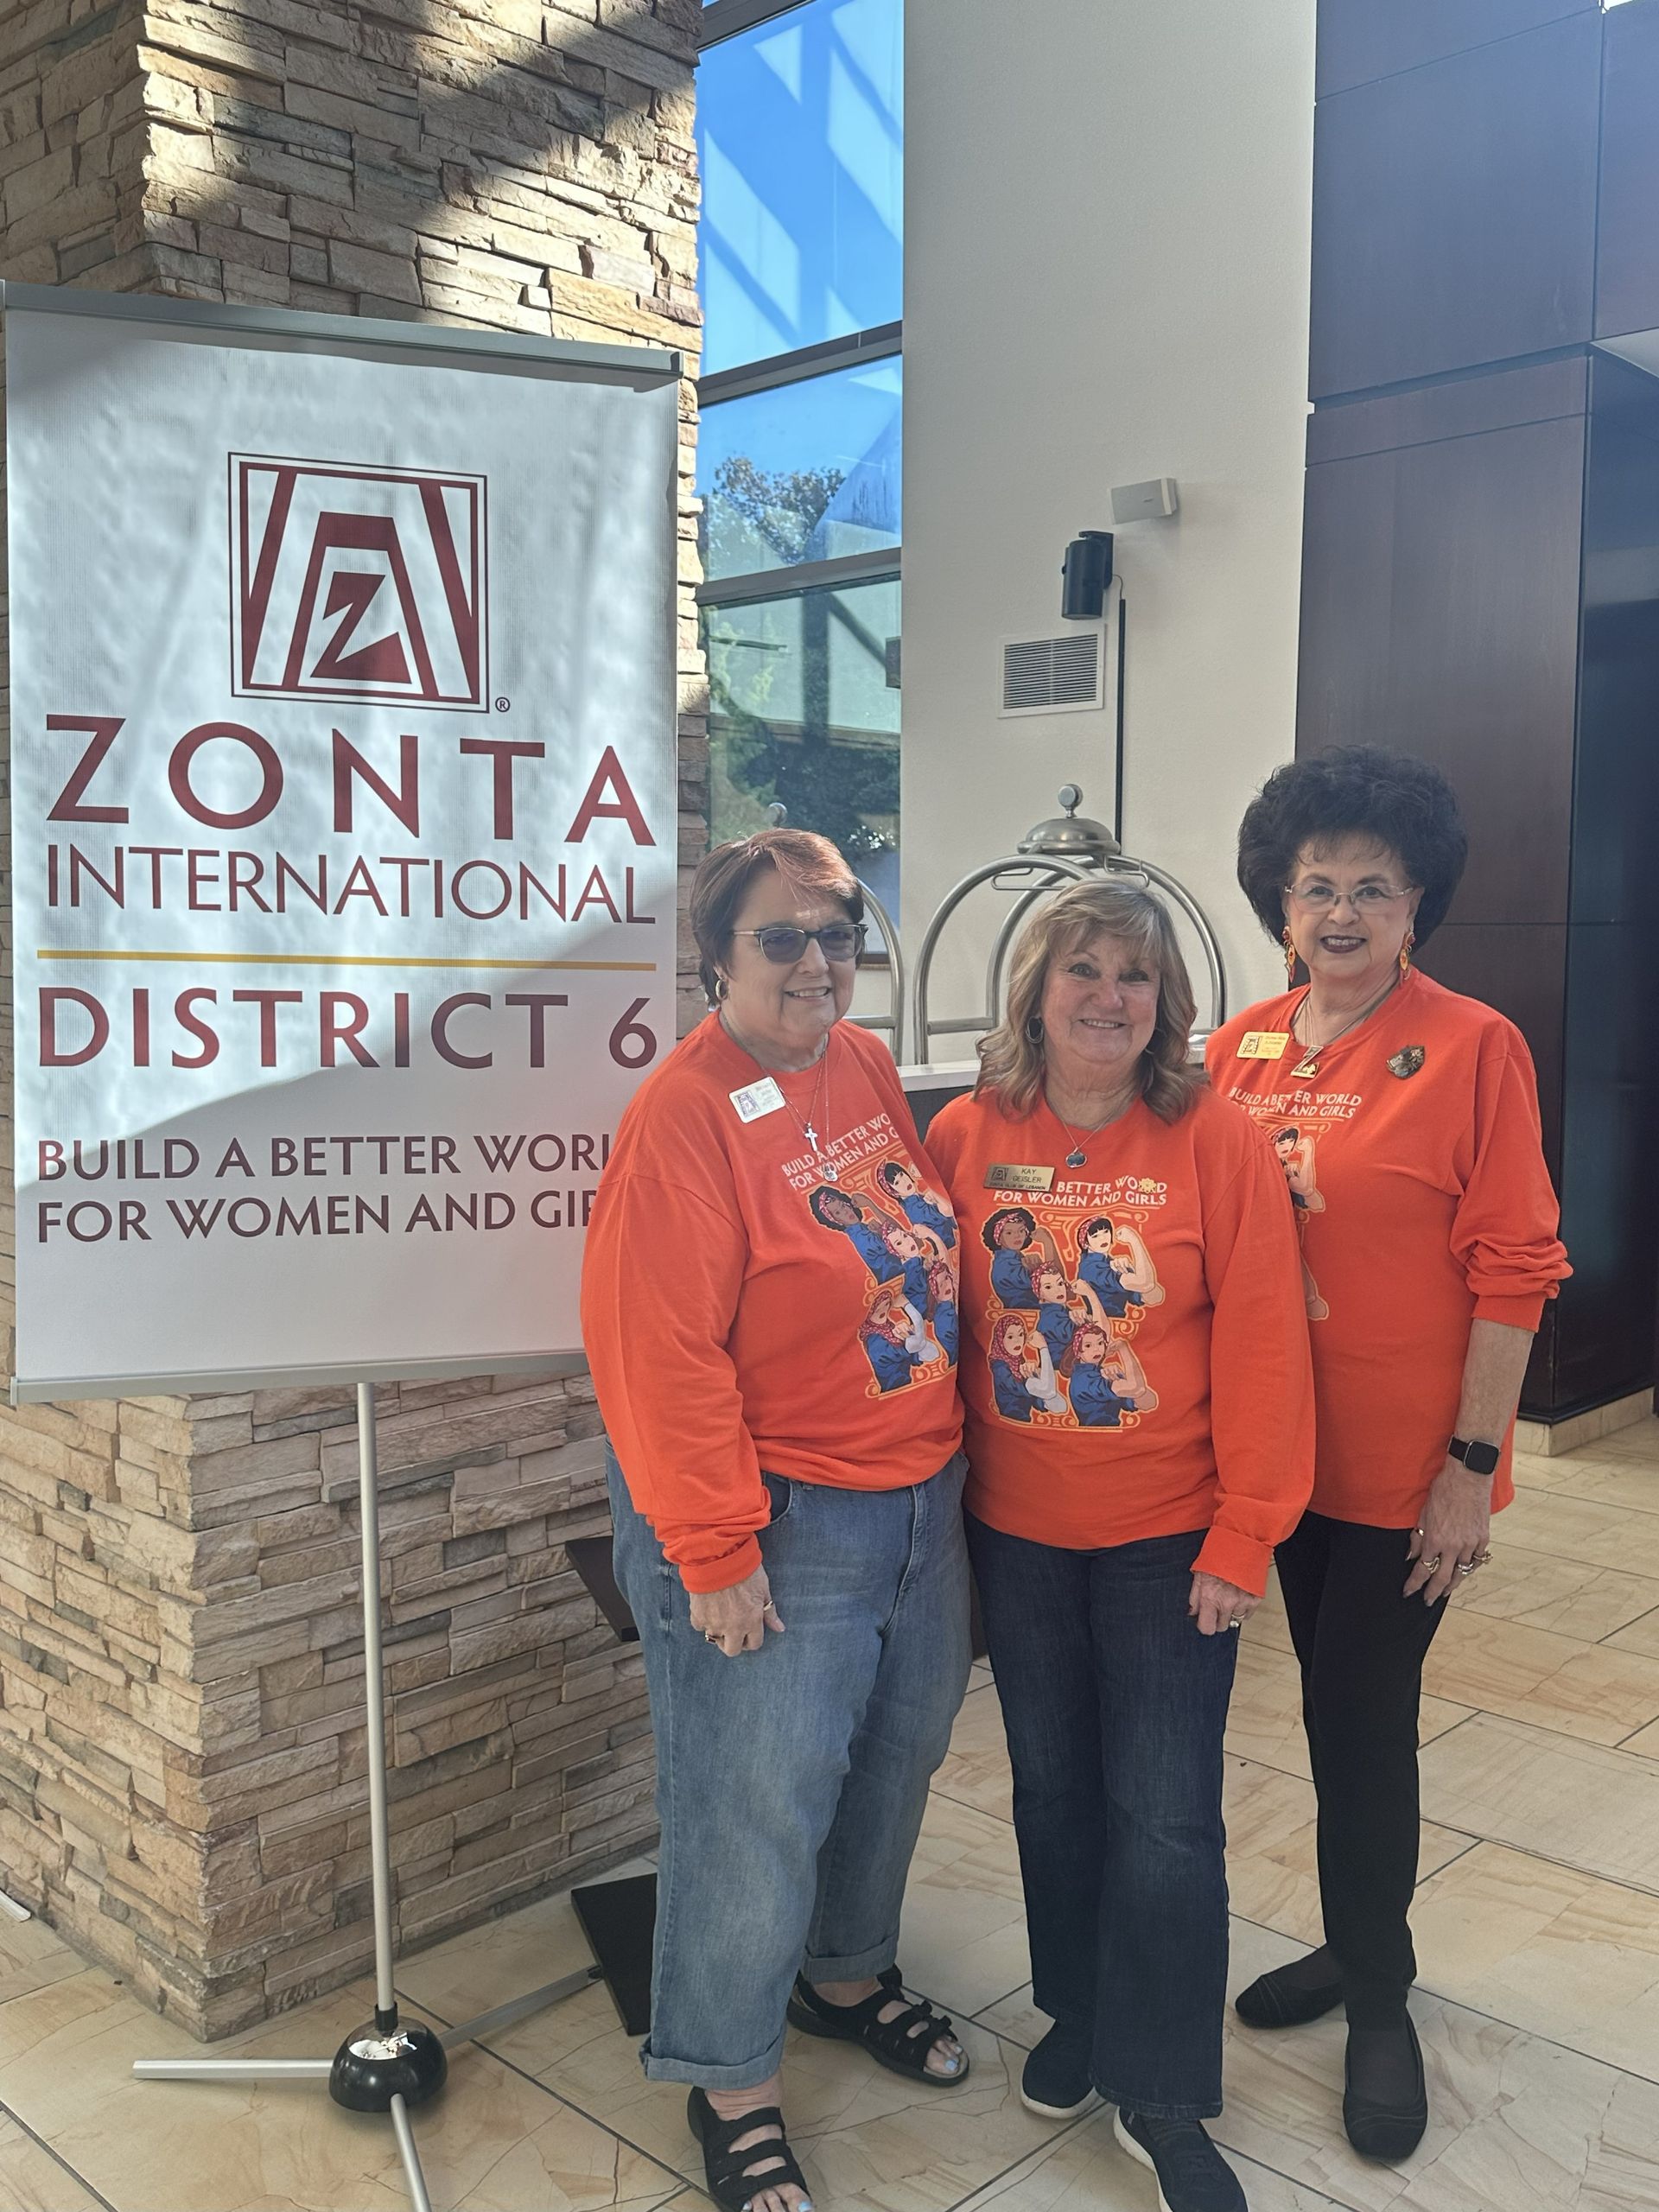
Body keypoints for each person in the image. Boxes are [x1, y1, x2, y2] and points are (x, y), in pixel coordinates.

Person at [582, 829, 971, 2212]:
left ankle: (847, 1972)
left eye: (837, 934)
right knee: (754, 1803)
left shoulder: (858, 1065)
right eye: (783, 939)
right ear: (718, 958)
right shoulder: (683, 1111)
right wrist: (713, 1546)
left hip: (919, 1495)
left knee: (897, 1754)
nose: (817, 963)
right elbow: (655, 1347)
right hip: (782, 1514)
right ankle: (731, 2078)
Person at [927, 879, 1315, 2212]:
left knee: (1164, 1817)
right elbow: (931, 1331)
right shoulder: (966, 1134)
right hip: (1017, 1536)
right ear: (1033, 988)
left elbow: (1269, 1348)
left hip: (1170, 1541)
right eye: (1082, 970)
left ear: (1167, 1005)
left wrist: (1245, 1533)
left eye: (1132, 977)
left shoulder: (1215, 1140)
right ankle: (1081, 2009)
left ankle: (1163, 2090)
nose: (1107, 996)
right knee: (1051, 1791)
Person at [1208, 747, 1570, 2164]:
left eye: (1373, 887)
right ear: (1280, 907)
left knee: (1359, 1727)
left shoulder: (1473, 1045)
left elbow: (1517, 1268)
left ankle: (1380, 1993)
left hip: (1400, 1474)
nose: (1343, 912)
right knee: (1309, 1718)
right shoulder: (1235, 1047)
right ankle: (1353, 1946)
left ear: (1418, 901)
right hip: (1262, 1464)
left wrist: (1469, 1467)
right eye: (1317, 888)